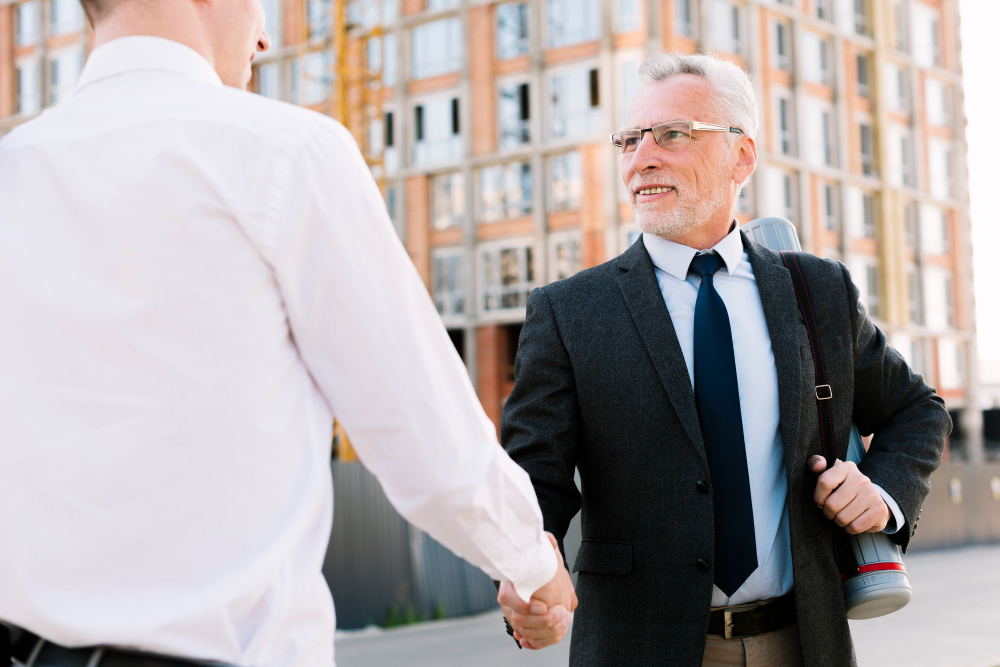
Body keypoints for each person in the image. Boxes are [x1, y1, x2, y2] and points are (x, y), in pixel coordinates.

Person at [0, 0, 576, 665]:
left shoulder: (14, 169)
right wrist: (534, 565)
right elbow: (422, 428)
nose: (266, 36)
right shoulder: (284, 152)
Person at [498, 52, 950, 667]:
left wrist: (884, 494)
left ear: (742, 156)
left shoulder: (817, 291)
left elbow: (917, 409)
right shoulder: (569, 311)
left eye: (672, 135)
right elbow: (533, 480)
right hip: (641, 649)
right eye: (629, 140)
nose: (641, 157)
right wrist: (524, 570)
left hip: (803, 642)